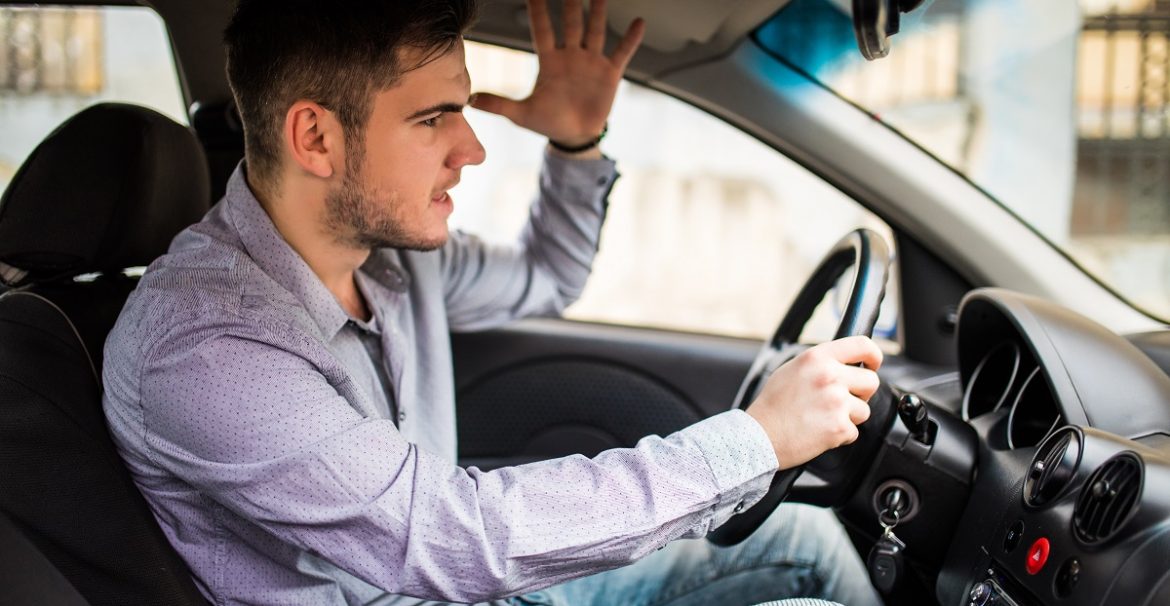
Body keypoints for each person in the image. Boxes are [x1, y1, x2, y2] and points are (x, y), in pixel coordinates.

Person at [102, 0, 886, 604]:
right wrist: (756, 440)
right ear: (316, 139)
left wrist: (575, 145)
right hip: (447, 573)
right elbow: (449, 537)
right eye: (433, 117)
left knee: (801, 542)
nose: (471, 148)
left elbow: (549, 274)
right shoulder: (201, 346)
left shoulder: (391, 261)